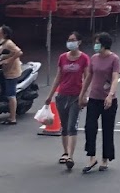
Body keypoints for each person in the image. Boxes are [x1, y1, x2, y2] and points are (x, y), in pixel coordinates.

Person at [79, 32, 120, 174]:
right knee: (90, 127)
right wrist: (82, 93)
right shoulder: (94, 58)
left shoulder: (114, 59)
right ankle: (91, 157)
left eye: (97, 43)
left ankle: (105, 158)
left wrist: (110, 95)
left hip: (108, 100)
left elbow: (115, 78)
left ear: (104, 44)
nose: (95, 45)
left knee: (107, 128)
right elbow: (89, 76)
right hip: (94, 98)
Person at [47, 31, 88, 169]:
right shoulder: (62, 57)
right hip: (62, 95)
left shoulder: (84, 58)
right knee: (64, 126)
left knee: (72, 126)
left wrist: (84, 95)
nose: (70, 42)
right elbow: (58, 77)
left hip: (76, 96)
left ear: (79, 42)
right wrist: (50, 95)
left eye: (73, 40)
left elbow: (87, 78)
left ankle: (70, 156)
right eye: (69, 40)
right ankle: (65, 153)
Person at [0, 25, 23, 125]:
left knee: (11, 95)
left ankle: (12, 118)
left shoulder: (9, 43)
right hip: (5, 70)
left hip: (12, 72)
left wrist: (9, 60)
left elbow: (19, 52)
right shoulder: (2, 43)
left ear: (4, 34)